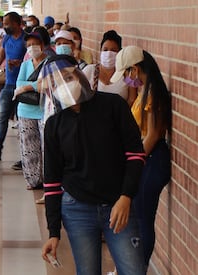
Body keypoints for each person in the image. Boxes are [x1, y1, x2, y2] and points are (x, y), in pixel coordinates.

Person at [41, 54, 147, 275]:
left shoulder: (112, 106)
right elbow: (52, 181)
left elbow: (135, 154)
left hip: (118, 205)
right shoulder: (54, 125)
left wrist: (126, 196)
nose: (64, 83)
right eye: (56, 81)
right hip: (77, 209)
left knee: (133, 269)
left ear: (81, 75)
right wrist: (53, 232)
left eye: (69, 76)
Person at [110, 46, 171, 269]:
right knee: (138, 218)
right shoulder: (145, 90)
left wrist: (135, 161)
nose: (126, 80)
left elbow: (154, 134)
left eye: (126, 74)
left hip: (152, 159)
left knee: (144, 220)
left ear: (134, 70)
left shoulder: (153, 93)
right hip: (146, 158)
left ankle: (138, 269)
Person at [0, 11, 27, 161]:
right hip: (8, 85)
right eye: (4, 23)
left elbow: (33, 60)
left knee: (23, 121)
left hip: (24, 86)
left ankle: (25, 154)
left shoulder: (26, 39)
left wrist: (20, 63)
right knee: (3, 118)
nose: (4, 26)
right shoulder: (6, 38)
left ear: (17, 23)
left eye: (7, 23)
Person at [12, 32, 48, 190]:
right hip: (25, 110)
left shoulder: (49, 63)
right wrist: (35, 85)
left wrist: (27, 86)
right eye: (28, 45)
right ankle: (33, 180)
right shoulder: (25, 65)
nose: (31, 48)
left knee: (46, 147)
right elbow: (19, 83)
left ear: (42, 44)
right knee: (28, 148)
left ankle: (48, 179)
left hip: (43, 110)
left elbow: (47, 83)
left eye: (34, 44)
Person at [83, 30, 137, 106]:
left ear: (119, 53)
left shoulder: (127, 75)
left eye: (113, 50)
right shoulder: (89, 71)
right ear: (100, 51)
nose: (108, 54)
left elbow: (132, 99)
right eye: (105, 50)